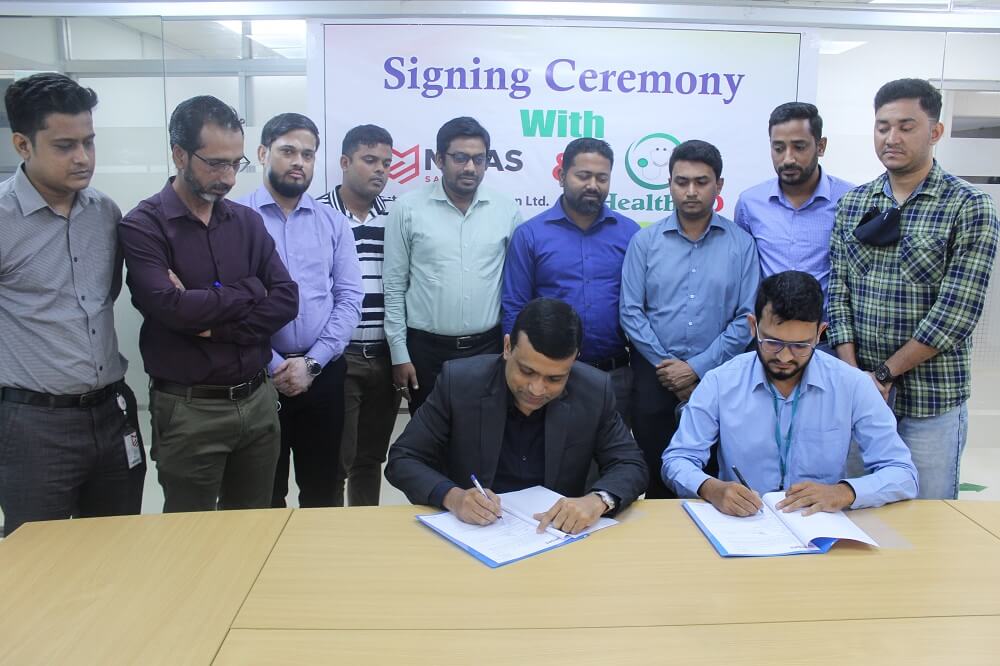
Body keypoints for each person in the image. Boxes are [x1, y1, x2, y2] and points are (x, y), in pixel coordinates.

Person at [119, 95, 298, 512]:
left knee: (253, 526)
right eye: (215, 164)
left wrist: (213, 324)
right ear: (179, 154)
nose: (228, 178)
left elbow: (286, 299)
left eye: (236, 163)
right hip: (189, 408)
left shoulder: (246, 222)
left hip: (257, 401)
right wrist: (251, 289)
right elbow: (172, 309)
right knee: (191, 533)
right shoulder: (143, 226)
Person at [828, 78, 999, 500]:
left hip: (931, 401)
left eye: (906, 126)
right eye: (882, 127)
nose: (892, 138)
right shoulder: (855, 203)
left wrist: (884, 374)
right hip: (862, 397)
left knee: (928, 514)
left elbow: (956, 313)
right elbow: (838, 294)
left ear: (935, 131)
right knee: (857, 506)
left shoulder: (969, 207)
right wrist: (856, 378)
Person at [0, 73, 144, 536]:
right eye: (64, 146)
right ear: (23, 145)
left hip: (112, 411)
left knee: (116, 543)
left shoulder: (104, 212)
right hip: (34, 422)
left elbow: (106, 297)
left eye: (89, 142)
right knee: (36, 554)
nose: (83, 157)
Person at [663, 271, 918, 516]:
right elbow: (678, 459)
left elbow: (903, 473)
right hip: (744, 523)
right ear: (753, 327)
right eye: (772, 342)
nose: (785, 357)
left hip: (819, 524)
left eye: (799, 346)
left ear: (819, 334)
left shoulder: (852, 384)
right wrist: (711, 488)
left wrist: (844, 492)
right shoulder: (720, 381)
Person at [385, 298, 647, 534]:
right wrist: (453, 497)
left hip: (554, 535)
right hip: (476, 533)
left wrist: (598, 501)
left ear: (574, 361)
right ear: (507, 347)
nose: (537, 389)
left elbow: (630, 463)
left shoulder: (594, 391)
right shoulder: (460, 382)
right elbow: (403, 458)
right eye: (527, 371)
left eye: (554, 379)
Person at [620, 139, 760, 499]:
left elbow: (746, 318)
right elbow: (631, 312)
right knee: (655, 478)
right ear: (669, 183)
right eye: (682, 182)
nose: (691, 191)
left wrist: (696, 368)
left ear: (719, 185)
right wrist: (669, 368)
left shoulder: (742, 244)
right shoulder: (644, 242)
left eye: (701, 182)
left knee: (713, 480)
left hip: (719, 378)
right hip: (654, 378)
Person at [239, 113, 363, 508]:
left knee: (324, 489)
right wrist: (275, 364)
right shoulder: (235, 219)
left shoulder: (333, 223)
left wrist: (312, 363)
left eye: (307, 155)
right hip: (257, 376)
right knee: (263, 492)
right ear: (263, 153)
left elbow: (349, 297)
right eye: (288, 151)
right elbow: (231, 307)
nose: (299, 162)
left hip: (323, 373)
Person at [383, 116, 522, 414]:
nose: (470, 167)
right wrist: (399, 354)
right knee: (429, 435)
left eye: (479, 159)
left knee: (483, 433)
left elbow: (515, 286)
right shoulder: (407, 209)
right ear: (439, 159)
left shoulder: (507, 210)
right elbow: (394, 286)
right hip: (426, 353)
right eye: (460, 158)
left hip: (488, 350)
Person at [502, 137, 639, 422]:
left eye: (602, 178)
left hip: (615, 375)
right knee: (547, 449)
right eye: (583, 176)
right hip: (548, 378)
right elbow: (515, 306)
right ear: (562, 176)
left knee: (611, 449)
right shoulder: (531, 235)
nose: (593, 185)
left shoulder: (630, 234)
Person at [317, 124, 402, 506]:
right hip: (339, 356)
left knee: (370, 458)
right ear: (344, 162)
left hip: (383, 356)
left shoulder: (396, 217)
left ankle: (364, 527)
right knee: (336, 459)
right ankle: (334, 530)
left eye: (386, 162)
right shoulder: (317, 214)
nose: (380, 170)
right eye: (370, 160)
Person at [733, 102, 853, 322]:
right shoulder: (750, 203)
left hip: (828, 334)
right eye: (778, 148)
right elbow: (744, 272)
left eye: (799, 147)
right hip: (768, 332)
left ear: (821, 146)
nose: (788, 159)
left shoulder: (850, 200)